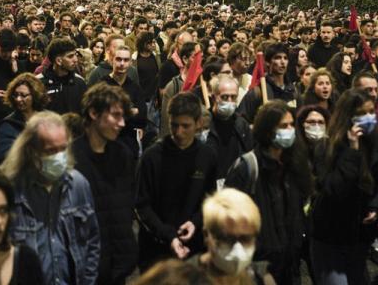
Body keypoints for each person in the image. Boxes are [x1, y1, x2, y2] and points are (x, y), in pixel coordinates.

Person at [1, 111, 100, 285]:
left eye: (63, 149)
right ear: (31, 151)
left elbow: (92, 240)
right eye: (50, 151)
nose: (59, 157)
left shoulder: (78, 185)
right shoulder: (9, 189)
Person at [225, 100, 311, 285]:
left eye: (291, 125)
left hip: (289, 264)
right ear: (267, 130)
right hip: (258, 268)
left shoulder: (295, 165)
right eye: (283, 126)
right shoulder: (247, 167)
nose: (289, 130)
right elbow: (229, 224)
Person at [310, 89, 378, 285]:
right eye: (363, 113)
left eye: (372, 112)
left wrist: (376, 207)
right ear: (349, 117)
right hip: (330, 236)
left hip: (359, 237)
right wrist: (352, 153)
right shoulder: (327, 148)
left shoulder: (374, 144)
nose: (370, 118)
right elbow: (334, 190)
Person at [136, 92, 218, 270]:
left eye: (185, 126)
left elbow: (210, 199)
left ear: (198, 124)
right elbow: (142, 205)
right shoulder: (152, 157)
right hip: (156, 250)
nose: (179, 132)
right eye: (174, 125)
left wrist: (196, 222)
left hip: (194, 248)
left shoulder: (208, 156)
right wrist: (168, 234)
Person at [73, 84, 138, 285]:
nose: (121, 123)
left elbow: (127, 207)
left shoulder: (123, 154)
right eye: (116, 116)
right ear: (93, 113)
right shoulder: (71, 158)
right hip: (86, 267)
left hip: (119, 264)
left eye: (123, 117)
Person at [190, 188, 274, 284]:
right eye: (227, 239)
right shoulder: (183, 279)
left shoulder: (261, 277)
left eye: (245, 239)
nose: (237, 250)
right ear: (207, 235)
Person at [205, 74, 254, 181]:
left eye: (233, 97)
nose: (229, 101)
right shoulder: (202, 124)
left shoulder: (241, 125)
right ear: (213, 97)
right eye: (224, 97)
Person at [237, 43, 297, 122]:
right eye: (278, 58)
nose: (283, 62)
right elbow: (240, 120)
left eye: (285, 58)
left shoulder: (293, 91)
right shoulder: (258, 91)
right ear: (268, 62)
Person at [0, 74, 48, 163]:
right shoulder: (8, 124)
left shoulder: (49, 119)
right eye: (15, 95)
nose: (18, 99)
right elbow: (6, 155)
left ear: (35, 96)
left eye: (23, 95)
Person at [38, 38, 88, 115]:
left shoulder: (80, 82)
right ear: (58, 61)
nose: (75, 59)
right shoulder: (39, 83)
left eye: (75, 55)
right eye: (70, 56)